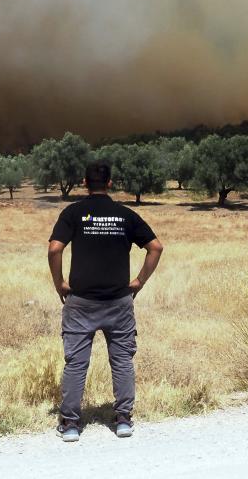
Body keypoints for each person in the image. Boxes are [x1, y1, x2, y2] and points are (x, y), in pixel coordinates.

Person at [48, 161, 164, 442]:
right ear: (110, 183)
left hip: (80, 302)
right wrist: (139, 281)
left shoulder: (73, 213)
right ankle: (123, 420)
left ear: (85, 183)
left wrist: (59, 283)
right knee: (122, 361)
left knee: (76, 363)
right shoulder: (125, 215)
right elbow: (156, 247)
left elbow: (54, 248)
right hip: (119, 302)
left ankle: (71, 424)